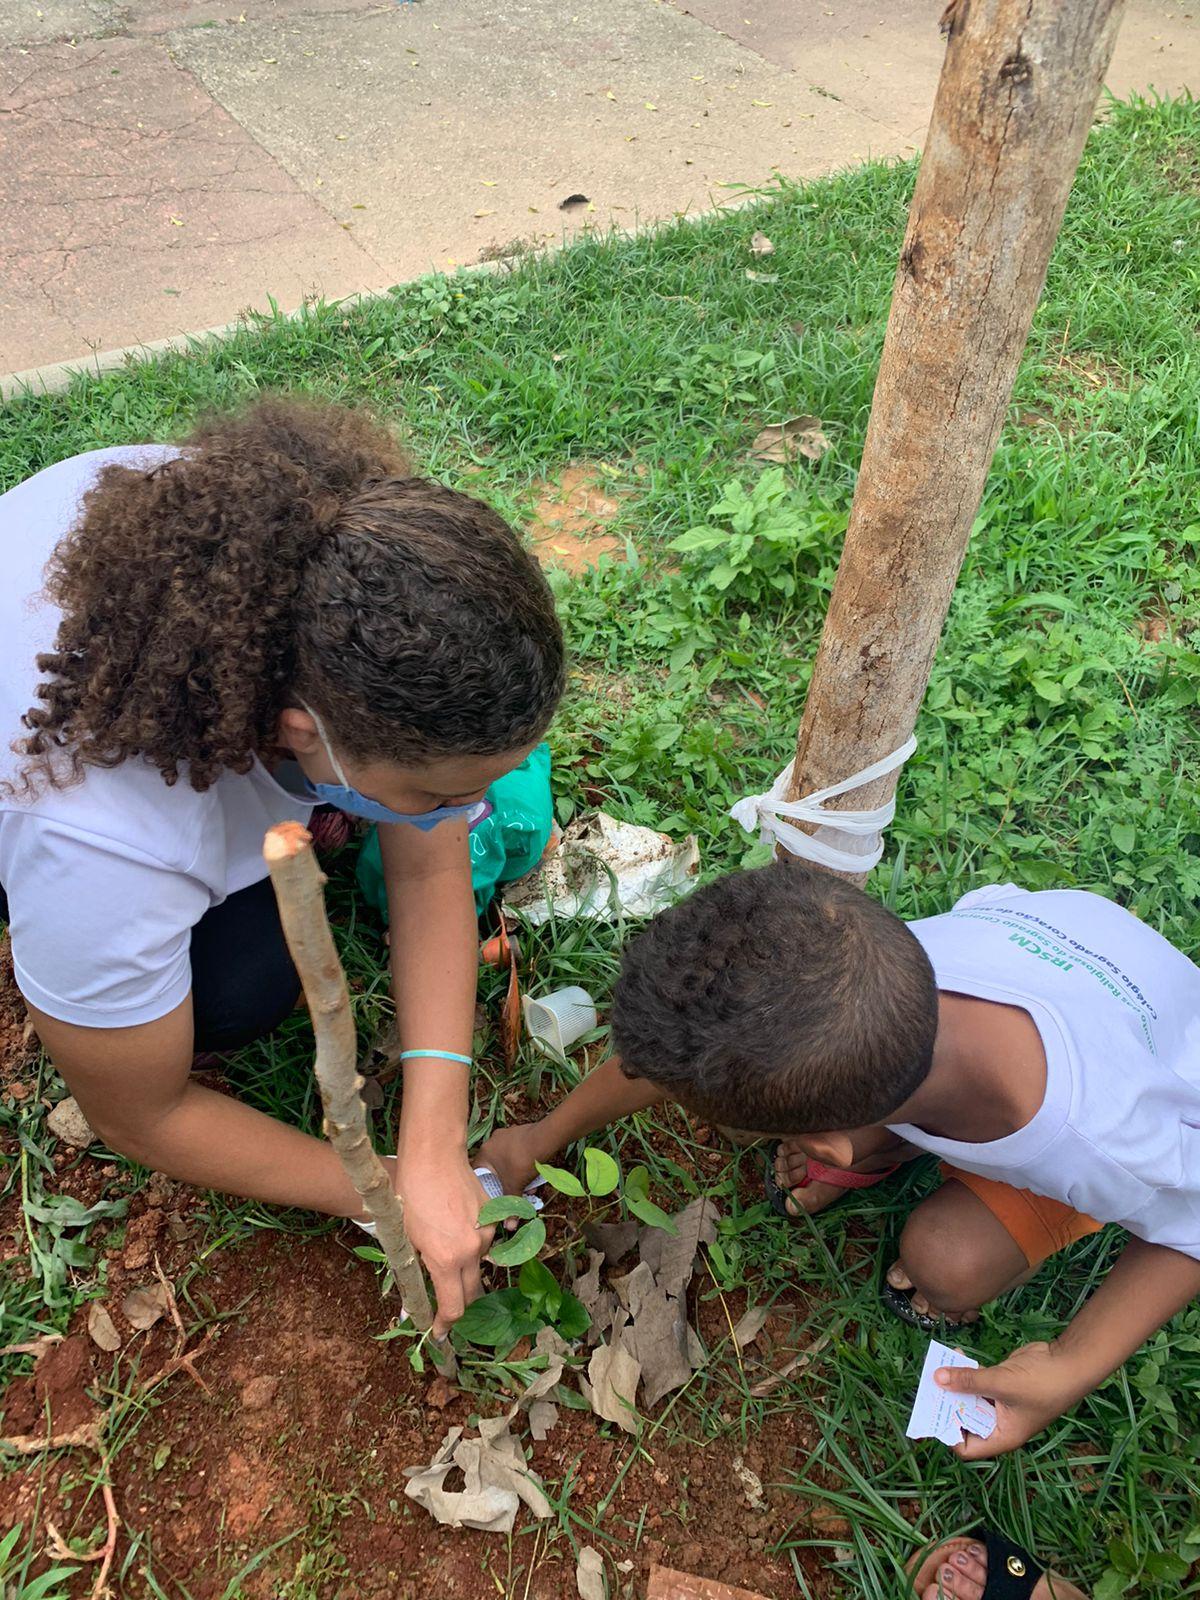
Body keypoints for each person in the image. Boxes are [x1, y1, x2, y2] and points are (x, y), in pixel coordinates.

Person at [0, 396, 564, 1335]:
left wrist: (434, 1140)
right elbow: (139, 1115)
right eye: (442, 795)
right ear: (304, 731)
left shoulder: (325, 565)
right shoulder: (104, 840)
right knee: (240, 989)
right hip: (37, 778)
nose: (467, 816)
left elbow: (430, 869)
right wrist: (384, 1188)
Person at [478, 863, 1200, 1456]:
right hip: (1046, 980)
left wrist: (1069, 1368)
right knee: (755, 1082)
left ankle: (909, 1154)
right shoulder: (864, 966)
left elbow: (1190, 1234)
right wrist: (532, 1141)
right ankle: (894, 1137)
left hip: (1140, 1085)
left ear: (826, 1144)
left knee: (947, 1263)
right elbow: (669, 1056)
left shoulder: (1107, 1144)